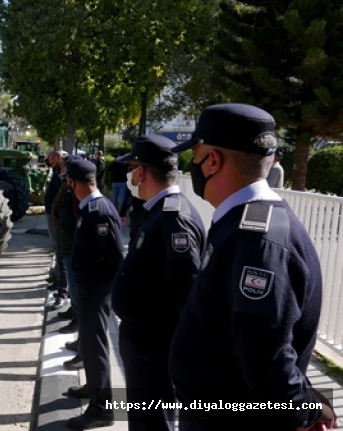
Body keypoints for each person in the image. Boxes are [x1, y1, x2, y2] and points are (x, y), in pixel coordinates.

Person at [168, 103, 335, 430]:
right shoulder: (242, 220)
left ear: (212, 161)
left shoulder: (255, 238)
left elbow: (266, 351)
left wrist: (306, 409)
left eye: (197, 155)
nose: (193, 165)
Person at [112, 135, 206, 431]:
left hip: (155, 348)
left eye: (131, 168)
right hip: (146, 345)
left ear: (141, 172)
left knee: (152, 423)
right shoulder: (159, 211)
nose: (130, 176)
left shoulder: (173, 218)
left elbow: (186, 290)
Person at [63, 159, 124, 430]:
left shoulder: (98, 211)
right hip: (89, 287)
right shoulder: (91, 209)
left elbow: (115, 256)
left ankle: (102, 408)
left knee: (96, 346)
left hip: (96, 289)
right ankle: (93, 387)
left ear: (73, 183)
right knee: (89, 345)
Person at [52, 155, 82, 368]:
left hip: (74, 250)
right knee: (76, 298)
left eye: (65, 169)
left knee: (81, 302)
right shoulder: (69, 188)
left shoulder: (82, 198)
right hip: (67, 246)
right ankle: (82, 344)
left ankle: (85, 353)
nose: (62, 171)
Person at [44, 150, 69, 309]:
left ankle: (63, 289)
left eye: (61, 164)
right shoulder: (55, 172)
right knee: (57, 250)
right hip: (53, 214)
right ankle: (58, 279)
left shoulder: (65, 179)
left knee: (60, 252)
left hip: (59, 219)